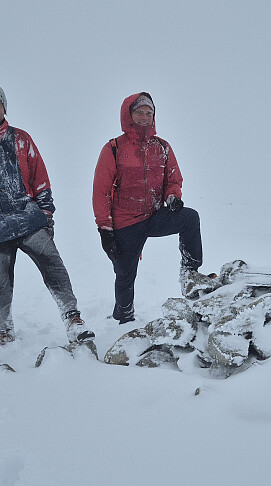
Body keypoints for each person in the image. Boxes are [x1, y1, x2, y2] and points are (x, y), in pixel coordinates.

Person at [0, 83, 93, 345]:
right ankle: (5, 331)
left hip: (28, 219)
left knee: (54, 266)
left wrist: (46, 213)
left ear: (5, 107)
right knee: (0, 283)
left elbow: (40, 179)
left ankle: (72, 319)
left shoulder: (21, 138)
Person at [92, 92, 218, 324]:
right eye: (139, 112)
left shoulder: (162, 147)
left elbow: (173, 179)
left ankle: (190, 274)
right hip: (126, 222)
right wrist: (105, 229)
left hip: (155, 216)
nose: (144, 117)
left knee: (190, 218)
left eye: (148, 113)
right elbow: (101, 191)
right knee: (124, 275)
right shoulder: (113, 148)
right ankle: (124, 317)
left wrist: (172, 197)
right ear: (128, 115)